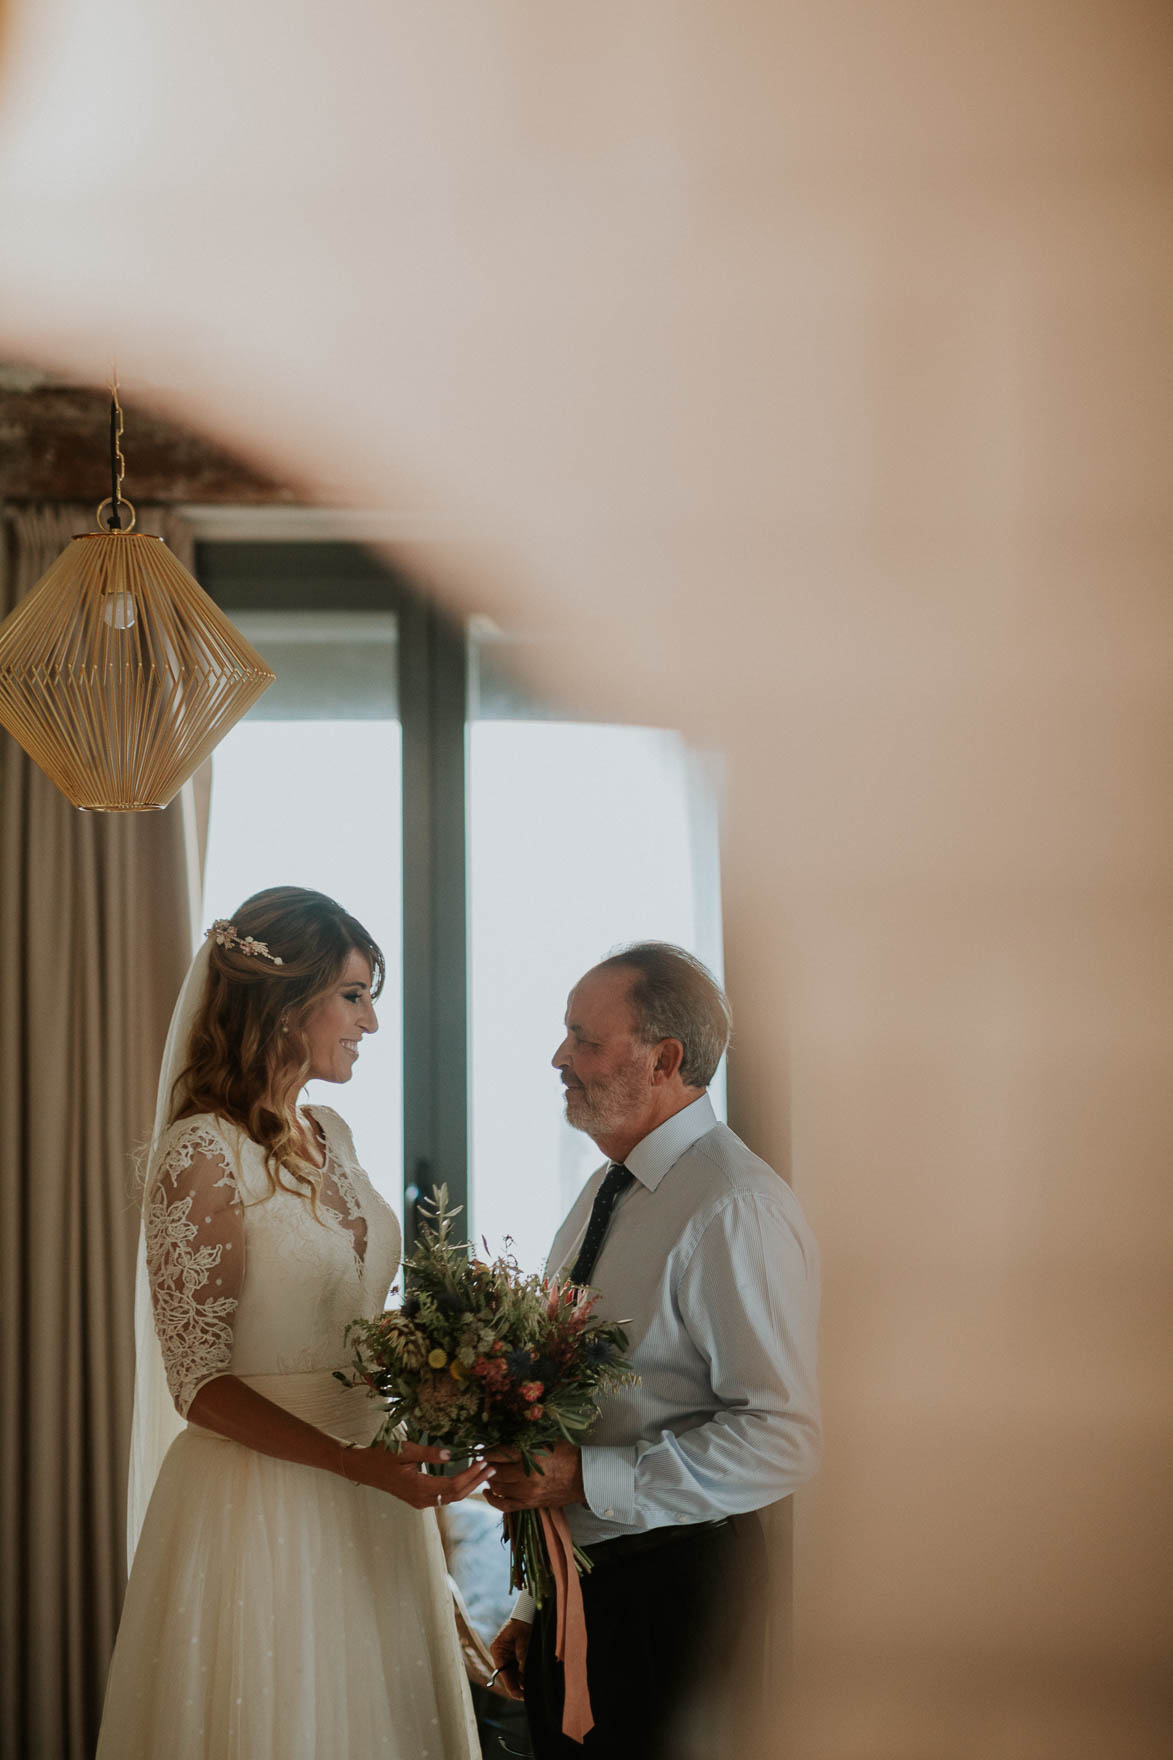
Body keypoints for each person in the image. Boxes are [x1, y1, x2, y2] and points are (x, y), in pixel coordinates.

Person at [97, 886, 490, 1760]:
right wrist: (351, 1465)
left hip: (375, 1494)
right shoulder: (200, 1152)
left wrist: (435, 1362)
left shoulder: (334, 1135)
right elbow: (198, 1387)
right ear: (284, 1007)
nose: (371, 1023)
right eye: (353, 995)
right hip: (262, 1505)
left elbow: (339, 1315)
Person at [486, 943, 821, 1759]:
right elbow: (581, 1407)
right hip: (583, 1591)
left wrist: (583, 1480)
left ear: (664, 1059)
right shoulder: (606, 1188)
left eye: (584, 1039)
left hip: (677, 1597)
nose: (559, 1058)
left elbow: (784, 1437)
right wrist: (538, 1602)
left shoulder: (734, 1208)